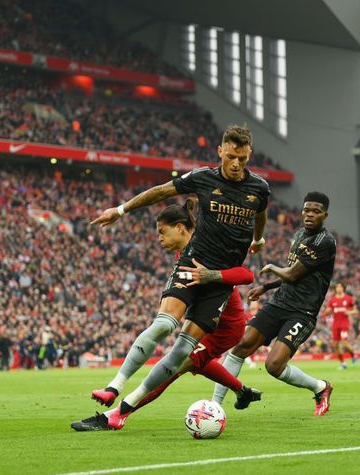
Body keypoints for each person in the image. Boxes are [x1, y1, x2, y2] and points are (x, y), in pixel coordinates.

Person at [89, 124, 270, 430]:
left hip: (218, 284)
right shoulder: (203, 178)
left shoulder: (259, 189)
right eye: (230, 156)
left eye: (241, 157)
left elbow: (261, 213)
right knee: (163, 324)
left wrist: (258, 239)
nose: (236, 163)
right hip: (192, 264)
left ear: (249, 153)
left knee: (182, 352)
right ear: (220, 152)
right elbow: (161, 191)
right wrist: (120, 211)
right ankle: (114, 386)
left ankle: (122, 412)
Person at [71, 200, 262, 431]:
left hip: (225, 327)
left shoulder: (209, 248)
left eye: (162, 232)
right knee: (193, 362)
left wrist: (213, 275)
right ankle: (242, 391)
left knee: (173, 367)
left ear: (181, 227)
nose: (159, 239)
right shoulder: (184, 253)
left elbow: (245, 274)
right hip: (207, 320)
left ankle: (118, 414)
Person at [212, 192, 336, 416]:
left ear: (325, 215)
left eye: (316, 211)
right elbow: (295, 275)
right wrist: (266, 288)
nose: (309, 214)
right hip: (279, 302)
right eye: (306, 209)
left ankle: (320, 387)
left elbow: (291, 274)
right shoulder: (299, 234)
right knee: (241, 346)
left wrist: (270, 267)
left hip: (302, 312)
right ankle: (215, 406)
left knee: (274, 366)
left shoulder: (324, 242)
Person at [323, 283, 357, 369]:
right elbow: (328, 311)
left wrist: (349, 312)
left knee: (344, 343)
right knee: (335, 345)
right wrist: (327, 312)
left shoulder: (348, 299)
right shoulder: (332, 300)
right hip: (335, 324)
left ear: (343, 288)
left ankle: (353, 355)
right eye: (337, 287)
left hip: (344, 324)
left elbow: (355, 310)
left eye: (340, 287)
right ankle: (343, 364)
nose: (338, 288)